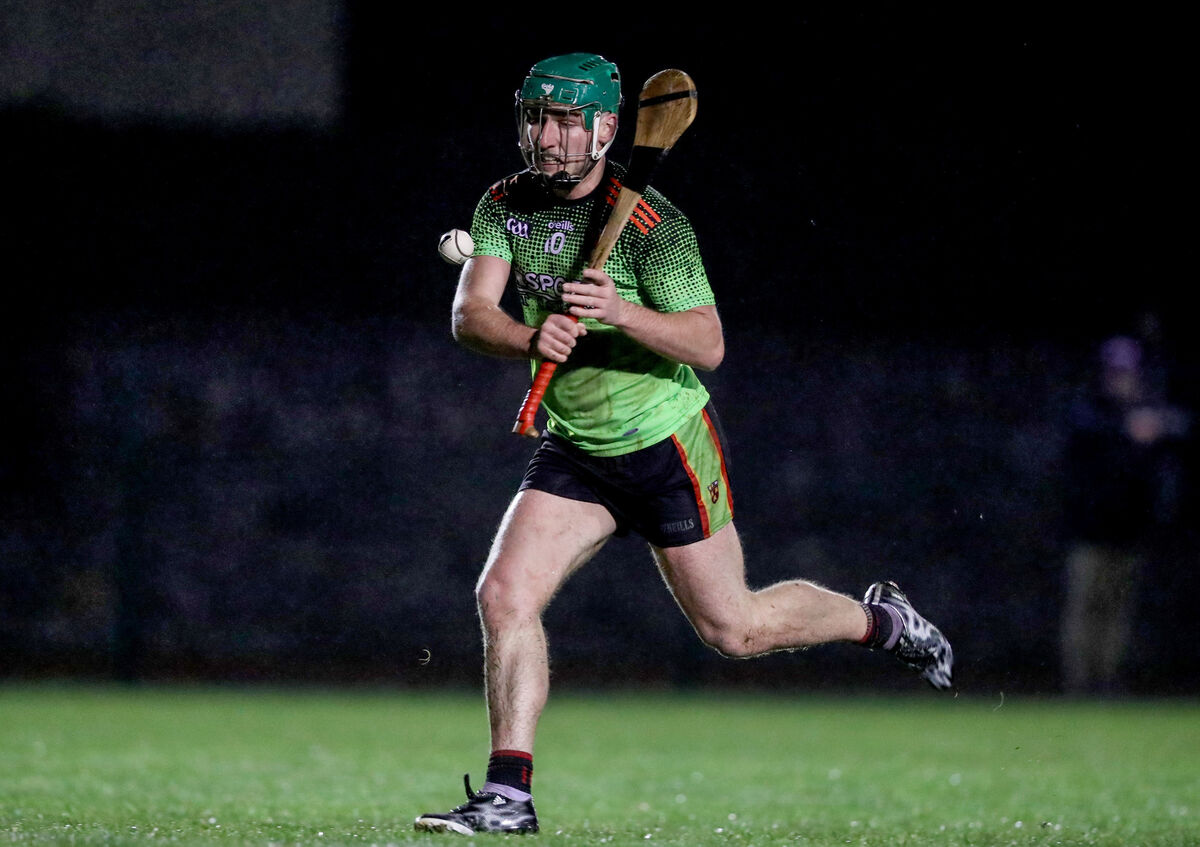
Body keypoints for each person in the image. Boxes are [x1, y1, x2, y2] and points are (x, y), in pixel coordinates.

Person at [415, 52, 953, 836]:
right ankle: (508, 795)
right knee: (504, 595)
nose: (547, 135)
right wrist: (532, 332)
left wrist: (620, 312)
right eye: (537, 116)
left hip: (666, 441)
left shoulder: (654, 227)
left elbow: (708, 344)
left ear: (605, 129)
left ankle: (882, 621)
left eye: (566, 119)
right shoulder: (505, 205)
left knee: (734, 629)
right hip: (576, 449)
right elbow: (472, 315)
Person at [1059, 333, 1189, 694]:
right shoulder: (1089, 412)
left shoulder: (1144, 411)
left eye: (1128, 373)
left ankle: (1106, 680)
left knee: (1117, 613)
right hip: (1089, 532)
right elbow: (1085, 443)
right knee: (1085, 608)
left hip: (1128, 532)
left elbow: (1177, 431)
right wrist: (1127, 430)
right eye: (1115, 373)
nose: (1122, 380)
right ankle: (1079, 683)